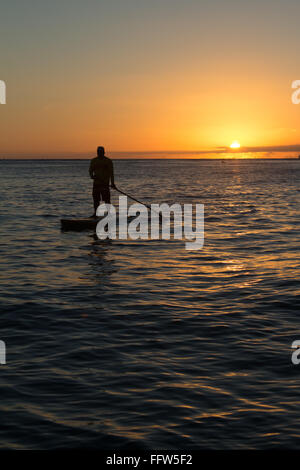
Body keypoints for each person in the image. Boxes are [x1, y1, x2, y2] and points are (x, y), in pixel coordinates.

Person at [89, 146, 116, 217]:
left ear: (104, 152)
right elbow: (90, 170)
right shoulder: (94, 160)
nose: (100, 153)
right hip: (96, 184)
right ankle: (95, 214)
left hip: (105, 184)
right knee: (96, 200)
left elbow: (111, 173)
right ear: (97, 152)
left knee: (106, 200)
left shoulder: (108, 161)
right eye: (98, 152)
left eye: (101, 152)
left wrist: (112, 183)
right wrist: (92, 175)